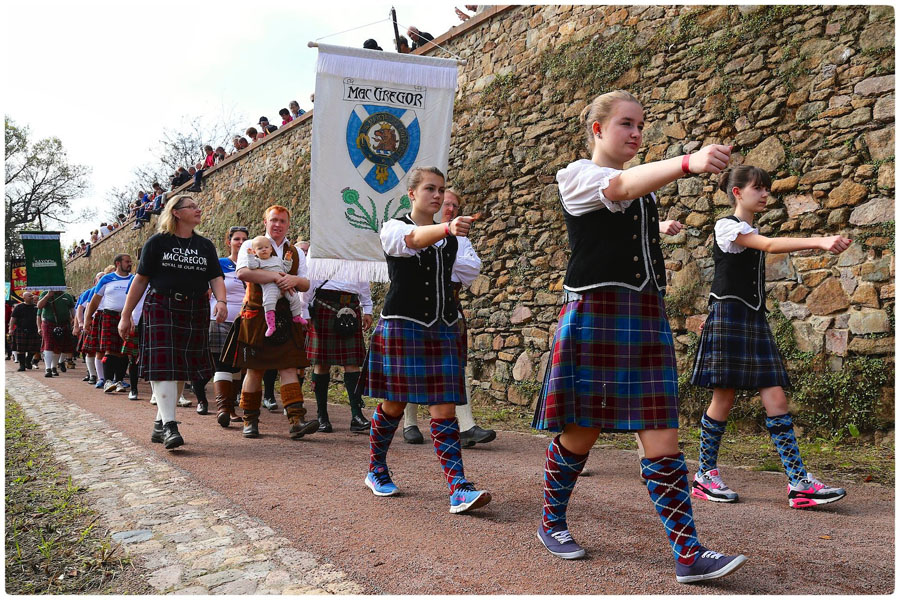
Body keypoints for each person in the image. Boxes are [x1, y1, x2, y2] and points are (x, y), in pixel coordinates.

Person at [531, 90, 747, 583]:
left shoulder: (638, 188)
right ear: (597, 130)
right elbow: (619, 188)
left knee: (661, 432)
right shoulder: (577, 177)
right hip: (598, 314)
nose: (636, 133)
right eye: (626, 124)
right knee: (581, 432)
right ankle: (551, 521)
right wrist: (688, 162)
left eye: (640, 125)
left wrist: (662, 223)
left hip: (643, 315)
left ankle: (687, 553)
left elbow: (631, 196)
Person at [689, 166, 850, 509]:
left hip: (752, 319)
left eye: (767, 189)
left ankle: (799, 483)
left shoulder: (746, 228)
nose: (765, 194)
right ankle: (704, 475)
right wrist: (820, 241)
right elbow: (771, 245)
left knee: (775, 395)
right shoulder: (727, 227)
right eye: (758, 188)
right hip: (730, 318)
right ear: (737, 192)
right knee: (724, 399)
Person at [360, 166, 491, 514]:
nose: (437, 195)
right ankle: (376, 469)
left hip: (444, 325)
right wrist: (447, 227)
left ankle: (458, 488)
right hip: (403, 324)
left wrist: (453, 235)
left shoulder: (453, 240)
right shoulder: (394, 227)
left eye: (441, 189)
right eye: (430, 189)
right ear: (412, 194)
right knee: (394, 405)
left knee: (445, 407)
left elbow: (467, 270)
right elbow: (413, 241)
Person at [118, 195, 227, 450]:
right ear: (176, 213)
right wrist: (126, 314)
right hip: (161, 305)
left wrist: (221, 301)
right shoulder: (157, 243)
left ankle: (160, 422)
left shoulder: (205, 246)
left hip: (194, 308)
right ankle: (170, 425)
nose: (198, 209)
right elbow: (141, 280)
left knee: (182, 367)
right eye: (192, 206)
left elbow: (216, 277)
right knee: (165, 365)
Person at [402, 188, 496, 447]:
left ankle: (466, 427)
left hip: (450, 306)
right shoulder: (414, 230)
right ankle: (409, 423)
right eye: (447, 203)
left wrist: (448, 262)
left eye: (456, 206)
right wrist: (450, 263)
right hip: (416, 306)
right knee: (413, 365)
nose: (452, 209)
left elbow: (472, 270)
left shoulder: (461, 239)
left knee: (454, 365)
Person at [221, 204, 318, 439]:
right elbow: (243, 273)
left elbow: (306, 284)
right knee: (254, 370)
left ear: (288, 225)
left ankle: (296, 420)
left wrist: (293, 279)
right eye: (274, 220)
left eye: (282, 221)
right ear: (265, 222)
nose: (278, 225)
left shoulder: (295, 252)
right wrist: (276, 276)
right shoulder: (249, 244)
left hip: (287, 316)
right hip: (256, 314)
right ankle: (250, 420)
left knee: (288, 367)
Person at [302, 246, 374, 434]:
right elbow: (311, 278)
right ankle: (322, 416)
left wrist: (367, 307)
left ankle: (357, 416)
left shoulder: (355, 243)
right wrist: (304, 309)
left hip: (351, 304)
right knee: (321, 362)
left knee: (352, 362)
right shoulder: (320, 244)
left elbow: (363, 276)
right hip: (324, 303)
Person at [199, 226, 250, 424]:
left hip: (245, 321)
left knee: (238, 366)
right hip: (220, 319)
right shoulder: (219, 264)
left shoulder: (253, 265)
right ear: (228, 242)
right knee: (222, 363)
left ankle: (232, 408)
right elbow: (206, 289)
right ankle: (222, 409)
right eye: (236, 239)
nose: (240, 242)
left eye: (244, 239)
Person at [84, 253, 134, 392]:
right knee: (109, 350)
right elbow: (95, 299)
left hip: (127, 317)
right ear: (118, 263)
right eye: (127, 261)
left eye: (130, 261)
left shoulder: (134, 279)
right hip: (109, 317)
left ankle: (119, 381)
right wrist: (88, 318)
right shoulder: (107, 279)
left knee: (124, 351)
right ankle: (107, 381)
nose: (130, 264)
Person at [246, 236, 307, 336]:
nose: (264, 250)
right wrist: (250, 256)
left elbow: (286, 269)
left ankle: (297, 316)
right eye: (260, 248)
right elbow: (251, 266)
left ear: (271, 249)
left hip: (285, 284)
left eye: (266, 247)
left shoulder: (277, 260)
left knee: (294, 297)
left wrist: (287, 260)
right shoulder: (258, 261)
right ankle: (271, 325)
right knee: (268, 302)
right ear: (254, 251)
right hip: (270, 286)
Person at [36, 289, 76, 377]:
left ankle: (53, 367)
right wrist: (48, 296)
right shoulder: (45, 293)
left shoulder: (67, 296)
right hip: (48, 323)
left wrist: (76, 322)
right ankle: (48, 369)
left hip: (64, 324)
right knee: (48, 346)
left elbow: (73, 310)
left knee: (59, 347)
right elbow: (39, 306)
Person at [9, 292, 40, 371]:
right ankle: (22, 365)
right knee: (20, 349)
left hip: (33, 330)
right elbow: (13, 318)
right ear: (24, 298)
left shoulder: (36, 307)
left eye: (32, 296)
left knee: (33, 348)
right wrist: (10, 329)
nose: (32, 297)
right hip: (21, 329)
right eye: (30, 296)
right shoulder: (19, 307)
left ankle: (28, 361)